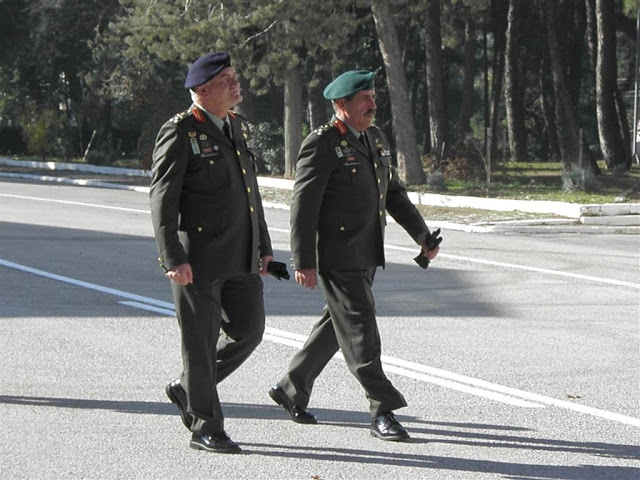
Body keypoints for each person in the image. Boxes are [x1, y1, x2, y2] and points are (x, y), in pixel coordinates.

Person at [268, 70, 440, 442]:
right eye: (363, 98)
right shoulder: (322, 143)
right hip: (336, 256)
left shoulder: (374, 138)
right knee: (361, 331)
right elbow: (303, 207)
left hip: (367, 252)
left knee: (336, 327)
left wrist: (422, 235)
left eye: (373, 96)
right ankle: (383, 408)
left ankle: (290, 387)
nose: (372, 104)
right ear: (340, 105)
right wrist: (304, 261)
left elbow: (393, 194)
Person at [150, 52, 274, 454]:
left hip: (240, 255)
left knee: (249, 330)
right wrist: (172, 257)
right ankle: (206, 425)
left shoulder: (235, 127)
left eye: (235, 77)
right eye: (225, 79)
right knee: (200, 344)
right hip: (197, 260)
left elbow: (249, 197)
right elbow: (163, 200)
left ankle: (188, 388)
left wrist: (265, 249)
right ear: (202, 90)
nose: (236, 84)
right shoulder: (181, 132)